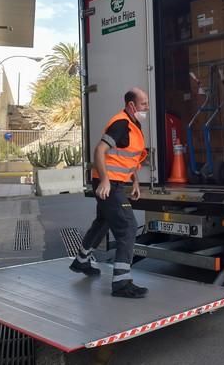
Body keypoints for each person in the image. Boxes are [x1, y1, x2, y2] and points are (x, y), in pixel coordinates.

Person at [70, 87, 149, 298]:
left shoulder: (134, 125)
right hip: (109, 184)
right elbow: (100, 150)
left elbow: (127, 157)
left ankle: (82, 261)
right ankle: (122, 283)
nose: (147, 107)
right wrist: (104, 179)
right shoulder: (121, 123)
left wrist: (135, 181)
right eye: (144, 104)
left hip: (116, 182)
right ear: (132, 105)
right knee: (128, 226)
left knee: (103, 222)